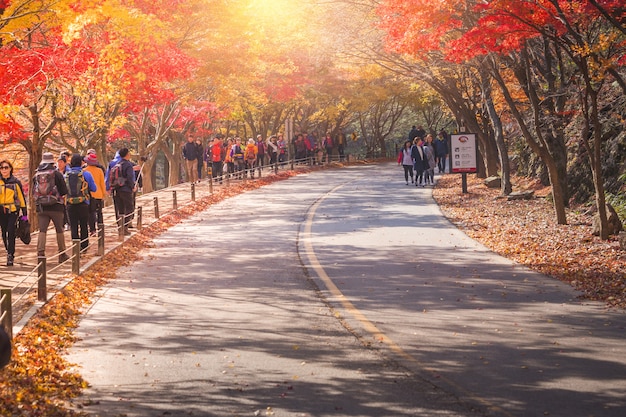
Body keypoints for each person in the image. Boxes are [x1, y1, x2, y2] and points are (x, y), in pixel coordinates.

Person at [32, 152, 69, 263]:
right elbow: (64, 191)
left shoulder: (37, 175)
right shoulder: (56, 174)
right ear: (52, 161)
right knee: (59, 230)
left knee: (42, 230)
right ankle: (62, 254)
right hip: (56, 206)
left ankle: (40, 253)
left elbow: (33, 191)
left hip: (42, 207)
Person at [65, 154, 96, 252]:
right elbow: (94, 188)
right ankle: (84, 246)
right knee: (83, 225)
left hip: (70, 203)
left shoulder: (66, 175)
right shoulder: (86, 174)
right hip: (83, 203)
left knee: (73, 225)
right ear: (82, 162)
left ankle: (75, 247)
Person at [0, 160, 27, 266]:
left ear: (10, 168)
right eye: (2, 168)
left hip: (13, 210)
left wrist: (24, 214)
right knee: (3, 233)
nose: (4, 170)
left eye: (6, 167)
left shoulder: (16, 182)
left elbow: (21, 197)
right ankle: (8, 251)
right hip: (1, 211)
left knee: (10, 231)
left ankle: (10, 255)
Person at [108, 148, 136, 235]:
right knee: (130, 208)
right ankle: (125, 227)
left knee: (120, 210)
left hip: (116, 189)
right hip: (126, 190)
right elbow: (130, 178)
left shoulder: (117, 164)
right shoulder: (128, 165)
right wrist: (133, 187)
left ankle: (120, 227)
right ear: (127, 155)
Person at [83, 152, 106, 236]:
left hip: (88, 195)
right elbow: (102, 183)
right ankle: (101, 228)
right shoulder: (99, 170)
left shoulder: (84, 171)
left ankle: (92, 230)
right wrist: (104, 194)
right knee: (99, 212)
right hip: (98, 194)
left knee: (90, 213)